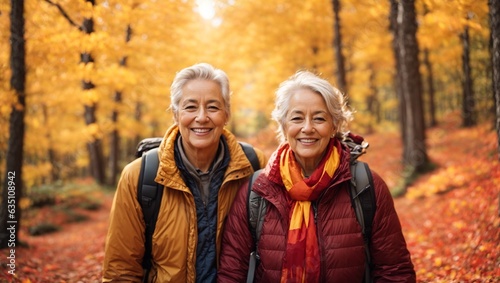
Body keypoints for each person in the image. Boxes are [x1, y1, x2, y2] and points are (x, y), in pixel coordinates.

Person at [218, 70, 416, 282]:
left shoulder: (366, 185)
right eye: (297, 118)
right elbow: (232, 274)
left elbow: (394, 271)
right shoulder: (257, 190)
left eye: (319, 118)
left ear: (334, 125)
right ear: (284, 125)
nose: (307, 128)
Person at [102, 63, 267, 283]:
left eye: (213, 107)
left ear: (226, 114)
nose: (201, 117)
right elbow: (120, 271)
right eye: (190, 107)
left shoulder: (253, 167)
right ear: (175, 113)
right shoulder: (140, 177)